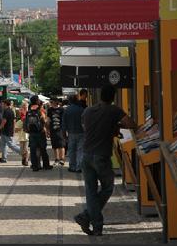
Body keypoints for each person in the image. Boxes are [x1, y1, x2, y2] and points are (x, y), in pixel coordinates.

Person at [74, 84, 137, 236]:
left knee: (90, 190)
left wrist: (112, 126)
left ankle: (95, 225)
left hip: (86, 154)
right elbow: (131, 124)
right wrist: (117, 124)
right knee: (108, 187)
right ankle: (87, 216)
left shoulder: (88, 110)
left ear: (101, 95)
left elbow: (87, 127)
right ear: (113, 97)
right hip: (101, 155)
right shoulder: (114, 110)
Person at [24, 95, 52, 171]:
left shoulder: (29, 110)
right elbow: (44, 121)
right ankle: (46, 165)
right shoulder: (40, 110)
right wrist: (47, 129)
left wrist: (27, 129)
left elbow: (25, 121)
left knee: (33, 150)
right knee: (43, 149)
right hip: (40, 132)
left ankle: (34, 166)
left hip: (32, 133)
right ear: (37, 101)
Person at [62, 95, 85, 173]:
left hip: (71, 133)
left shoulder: (67, 110)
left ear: (70, 101)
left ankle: (72, 166)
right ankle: (79, 167)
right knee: (80, 150)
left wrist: (64, 135)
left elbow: (64, 124)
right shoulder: (81, 110)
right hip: (81, 132)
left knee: (71, 150)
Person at [0, 99, 23, 163]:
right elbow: (14, 121)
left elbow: (4, 121)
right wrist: (13, 129)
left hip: (7, 130)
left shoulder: (6, 111)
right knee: (2, 144)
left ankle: (22, 152)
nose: (1, 105)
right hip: (6, 130)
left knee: (11, 145)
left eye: (2, 104)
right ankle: (4, 158)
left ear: (5, 104)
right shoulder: (11, 111)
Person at [47, 97, 66, 167]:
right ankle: (56, 159)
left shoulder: (62, 109)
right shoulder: (50, 109)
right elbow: (48, 120)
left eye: (52, 102)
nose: (51, 103)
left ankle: (62, 159)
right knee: (54, 145)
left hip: (60, 129)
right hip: (53, 129)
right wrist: (48, 129)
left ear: (55, 102)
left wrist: (65, 130)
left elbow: (64, 120)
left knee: (61, 144)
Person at [16, 100, 30, 166]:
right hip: (21, 136)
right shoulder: (21, 112)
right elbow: (16, 128)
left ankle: (26, 160)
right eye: (24, 105)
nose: (25, 107)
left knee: (26, 149)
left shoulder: (29, 113)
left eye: (26, 106)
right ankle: (23, 158)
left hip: (27, 135)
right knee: (22, 150)